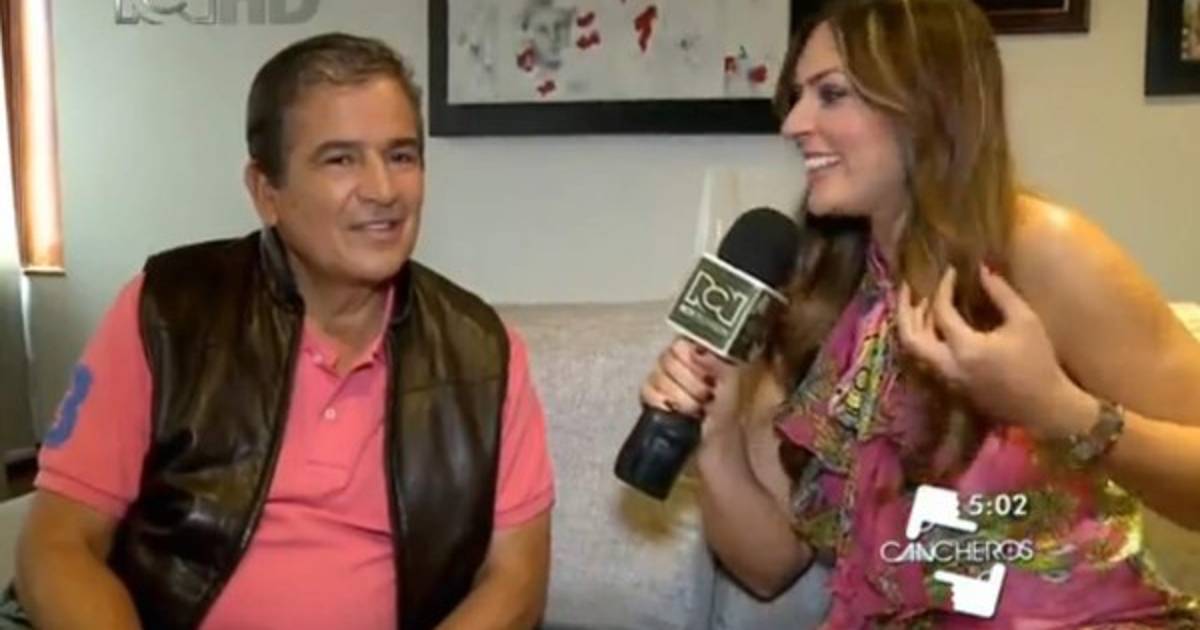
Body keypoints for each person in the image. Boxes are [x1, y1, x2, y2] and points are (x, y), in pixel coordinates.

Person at [642, 0, 1200, 627]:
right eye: (797, 97)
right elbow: (768, 566)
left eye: (831, 94)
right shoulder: (824, 294)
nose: (793, 123)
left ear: (925, 103)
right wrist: (717, 437)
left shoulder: (1042, 250)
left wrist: (1059, 411)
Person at [11, 33, 553, 630]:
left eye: (401, 156)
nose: (383, 190)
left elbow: (516, 580)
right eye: (340, 159)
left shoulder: (484, 354)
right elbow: (58, 545)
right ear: (267, 192)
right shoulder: (166, 313)